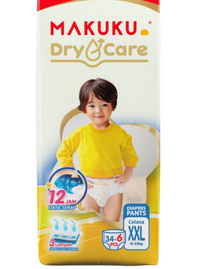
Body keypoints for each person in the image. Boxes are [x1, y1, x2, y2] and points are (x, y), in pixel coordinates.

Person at [56, 78, 138, 222]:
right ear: (84, 109)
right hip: (89, 186)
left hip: (114, 186)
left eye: (104, 104)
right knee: (89, 224)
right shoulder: (80, 134)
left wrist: (127, 174)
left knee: (111, 224)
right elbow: (63, 152)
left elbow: (129, 153)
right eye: (92, 105)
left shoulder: (120, 133)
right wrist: (75, 174)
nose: (98, 110)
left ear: (113, 107)